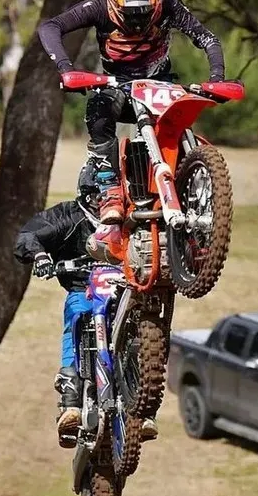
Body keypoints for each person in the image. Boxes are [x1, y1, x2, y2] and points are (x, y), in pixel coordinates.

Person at [37, 0, 226, 226]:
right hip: (118, 88)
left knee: (182, 127)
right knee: (100, 104)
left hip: (162, 87)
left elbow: (208, 39)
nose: (137, 21)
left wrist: (216, 79)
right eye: (129, 13)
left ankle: (193, 187)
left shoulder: (171, 6)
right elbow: (49, 27)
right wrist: (66, 69)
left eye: (145, 11)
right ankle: (109, 187)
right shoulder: (98, 8)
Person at [13, 170, 158, 448]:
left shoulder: (130, 215)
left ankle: (145, 406)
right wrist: (40, 255)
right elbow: (28, 235)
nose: (104, 202)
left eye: (109, 195)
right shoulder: (68, 215)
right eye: (98, 196)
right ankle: (70, 401)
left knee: (146, 329)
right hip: (83, 287)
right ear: (86, 195)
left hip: (124, 288)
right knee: (76, 314)